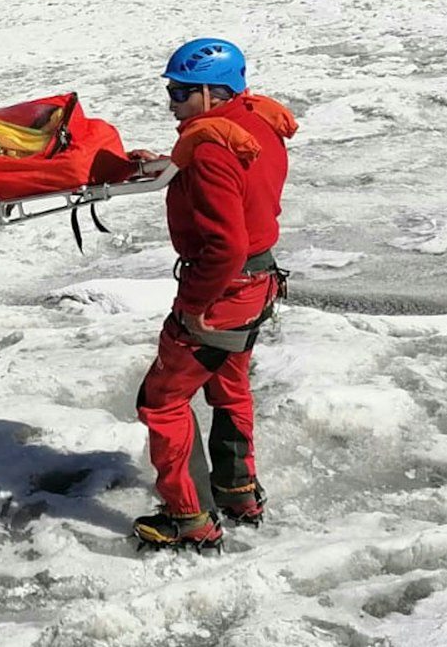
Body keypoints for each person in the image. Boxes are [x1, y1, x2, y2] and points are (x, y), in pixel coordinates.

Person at [131, 37, 299, 548]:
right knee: (229, 386)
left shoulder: (208, 149)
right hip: (259, 283)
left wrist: (195, 308)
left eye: (181, 93)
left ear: (211, 91)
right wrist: (169, 163)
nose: (173, 103)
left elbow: (225, 245)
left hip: (224, 290)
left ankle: (187, 520)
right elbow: (238, 178)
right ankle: (237, 489)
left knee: (162, 400)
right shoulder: (254, 122)